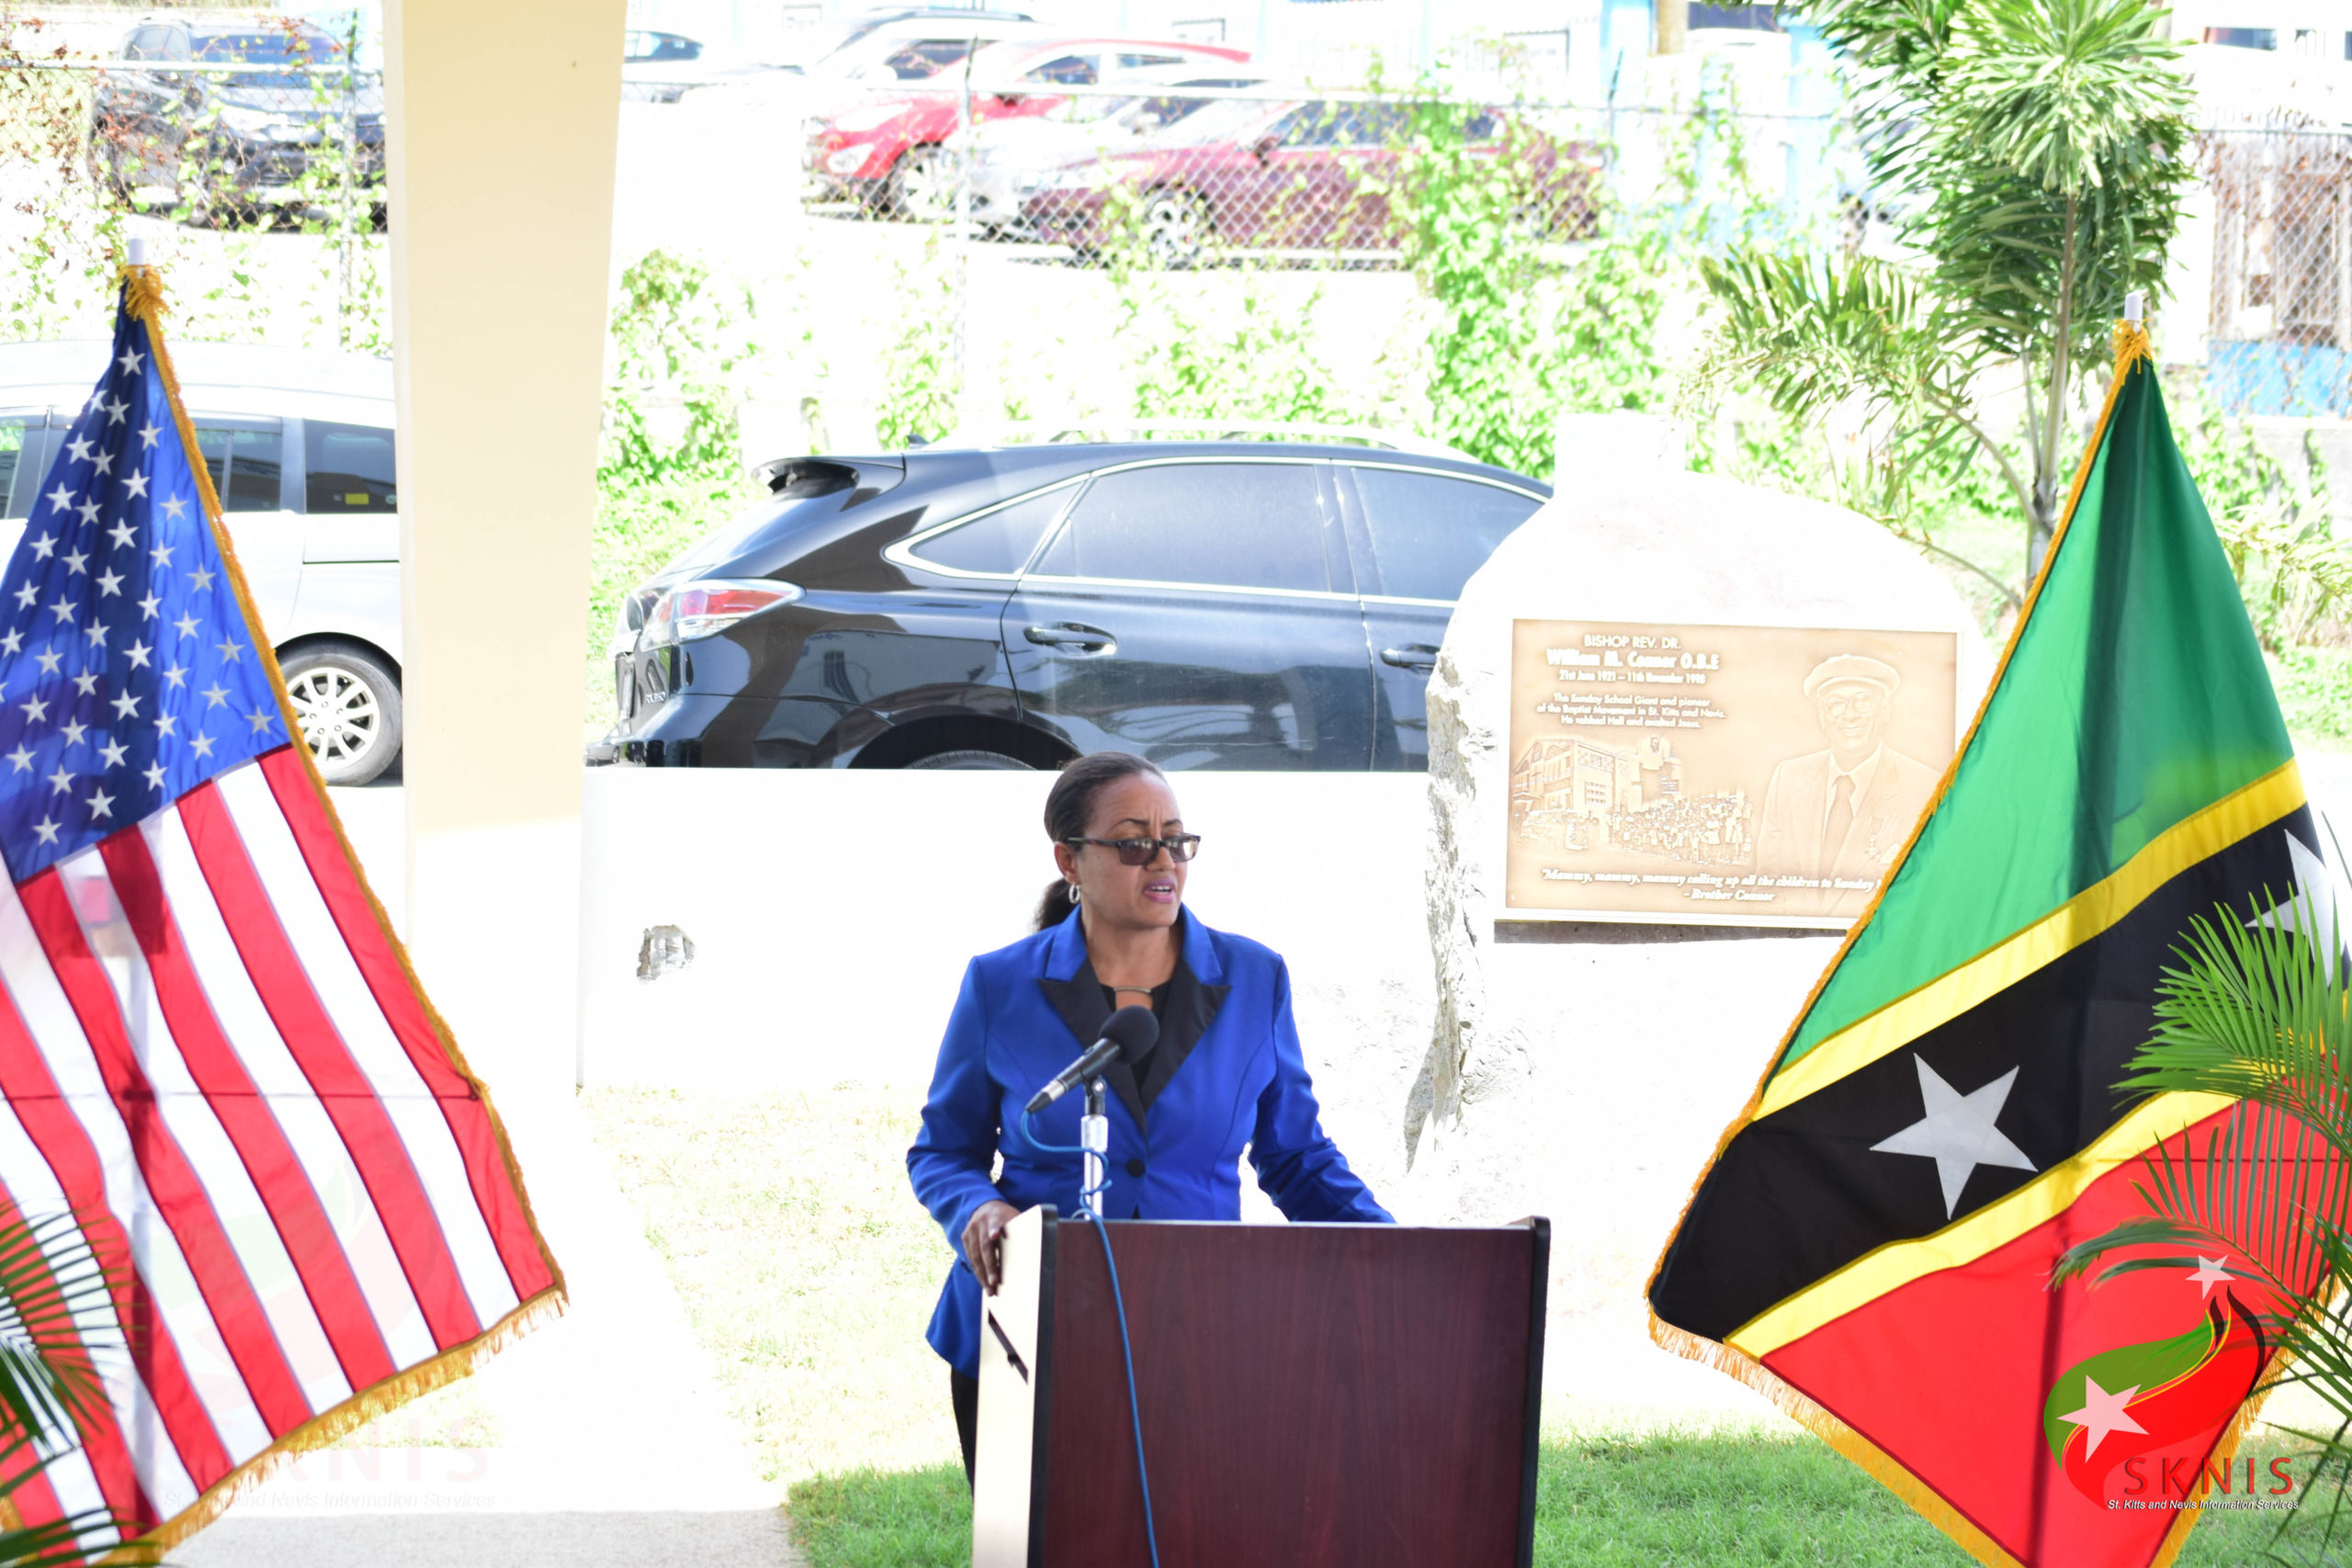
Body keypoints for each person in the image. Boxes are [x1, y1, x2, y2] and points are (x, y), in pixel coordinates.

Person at [906, 751, 1393, 1484]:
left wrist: (1400, 1251)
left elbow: (1296, 1156)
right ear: (1069, 859)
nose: (1164, 860)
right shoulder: (1000, 984)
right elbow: (943, 1150)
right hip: (1026, 1328)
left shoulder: (1254, 977)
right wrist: (979, 1208)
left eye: (1176, 839)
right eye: (1135, 843)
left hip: (1200, 1331)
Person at [1754, 654, 1940, 913]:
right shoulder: (1788, 777)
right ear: (1822, 716)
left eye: (1863, 702)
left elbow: (1930, 892)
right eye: (1836, 704)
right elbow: (1767, 886)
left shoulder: (1926, 787)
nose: (1850, 715)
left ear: (1885, 710)